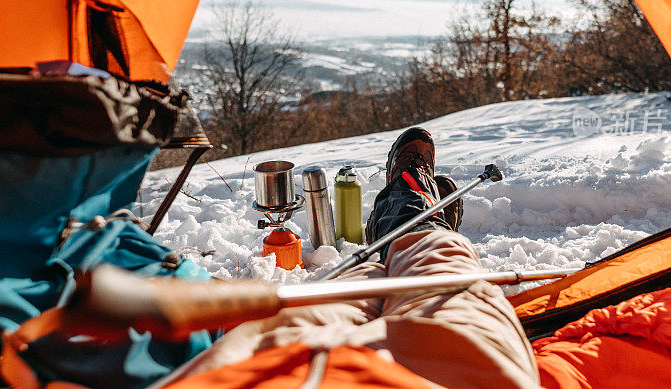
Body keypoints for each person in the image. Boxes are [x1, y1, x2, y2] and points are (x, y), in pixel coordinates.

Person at [159, 128, 541, 388]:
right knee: (437, 263)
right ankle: (417, 213)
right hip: (454, 370)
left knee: (359, 280)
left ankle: (400, 218)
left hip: (276, 365)